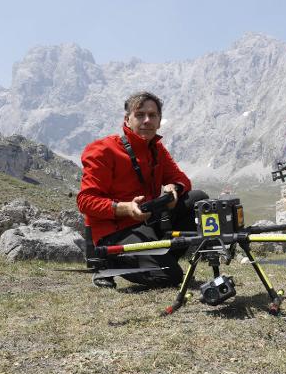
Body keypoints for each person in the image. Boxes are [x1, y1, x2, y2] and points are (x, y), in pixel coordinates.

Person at [77, 91, 207, 289]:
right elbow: (85, 201)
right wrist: (126, 208)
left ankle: (161, 259)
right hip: (115, 232)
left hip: (146, 223)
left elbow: (181, 180)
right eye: (140, 115)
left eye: (152, 115)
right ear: (127, 119)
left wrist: (174, 189)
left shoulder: (156, 149)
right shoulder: (103, 150)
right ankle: (108, 262)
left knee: (199, 200)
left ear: (159, 120)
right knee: (171, 278)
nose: (147, 120)